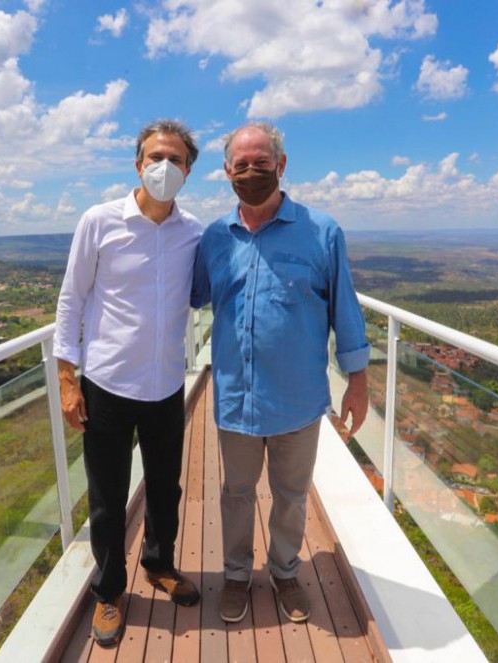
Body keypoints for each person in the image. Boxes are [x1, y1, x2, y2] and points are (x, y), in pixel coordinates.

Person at [191, 121, 369, 624]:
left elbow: (345, 310)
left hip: (297, 399)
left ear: (282, 166)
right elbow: (191, 296)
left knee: (292, 495)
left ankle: (286, 572)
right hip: (235, 396)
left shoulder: (322, 232)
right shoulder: (214, 239)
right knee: (236, 494)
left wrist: (357, 380)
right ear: (226, 172)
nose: (251, 172)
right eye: (241, 165)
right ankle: (236, 576)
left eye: (261, 163)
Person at [53, 119, 202, 647]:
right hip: (107, 384)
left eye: (176, 159)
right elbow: (71, 301)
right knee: (108, 496)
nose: (165, 167)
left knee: (166, 488)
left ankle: (159, 565)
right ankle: (110, 590)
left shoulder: (194, 233)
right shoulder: (99, 221)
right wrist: (68, 380)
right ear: (138, 163)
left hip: (165, 384)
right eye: (156, 156)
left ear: (189, 170)